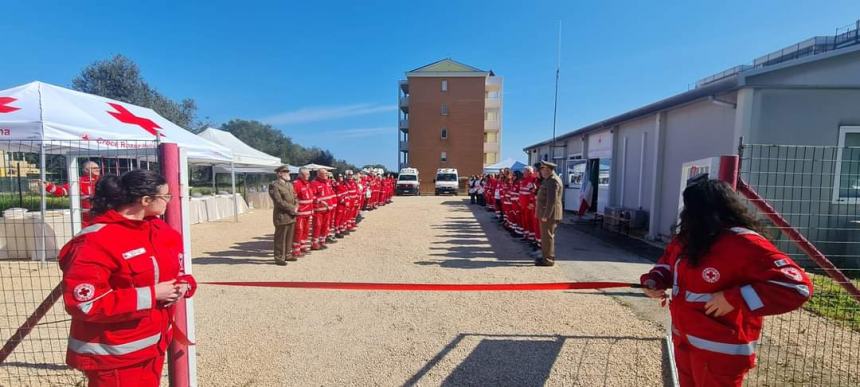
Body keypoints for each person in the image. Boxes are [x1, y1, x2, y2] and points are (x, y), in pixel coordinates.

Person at [640, 179, 812, 387]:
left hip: (721, 353)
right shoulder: (690, 238)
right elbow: (667, 263)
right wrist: (654, 280)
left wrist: (734, 298)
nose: (684, 213)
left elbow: (796, 287)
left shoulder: (744, 243)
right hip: (685, 342)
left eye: (689, 208)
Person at [57, 169, 196, 387]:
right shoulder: (96, 241)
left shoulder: (159, 230)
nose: (168, 201)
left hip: (152, 345)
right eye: (165, 196)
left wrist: (184, 285)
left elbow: (173, 272)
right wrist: (153, 294)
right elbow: (85, 303)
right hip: (113, 355)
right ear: (146, 200)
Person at [43, 160, 102, 225]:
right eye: (94, 168)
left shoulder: (104, 180)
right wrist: (48, 186)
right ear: (86, 170)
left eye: (98, 168)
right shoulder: (78, 182)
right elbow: (63, 190)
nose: (98, 169)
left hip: (103, 216)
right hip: (86, 220)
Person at [534, 160, 563, 266]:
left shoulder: (553, 181)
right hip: (546, 213)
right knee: (546, 237)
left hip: (549, 215)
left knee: (547, 237)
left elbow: (552, 200)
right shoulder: (548, 180)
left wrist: (546, 215)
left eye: (543, 169)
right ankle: (547, 256)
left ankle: (548, 260)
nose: (541, 172)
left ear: (548, 170)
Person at [269, 165, 298, 265]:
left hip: (291, 215)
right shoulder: (274, 185)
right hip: (282, 215)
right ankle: (279, 257)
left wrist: (296, 206)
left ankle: (287, 254)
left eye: (288, 172)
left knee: (289, 236)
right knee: (280, 237)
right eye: (285, 172)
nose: (288, 173)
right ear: (279, 174)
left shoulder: (289, 185)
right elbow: (278, 201)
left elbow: (295, 197)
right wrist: (291, 208)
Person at [292, 168, 315, 256]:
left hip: (308, 212)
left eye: (309, 174)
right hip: (300, 213)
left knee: (306, 230)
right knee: (299, 230)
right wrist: (296, 209)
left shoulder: (307, 184)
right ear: (301, 175)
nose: (308, 176)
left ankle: (302, 246)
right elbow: (294, 198)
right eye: (307, 174)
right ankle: (296, 250)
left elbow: (310, 198)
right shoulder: (296, 184)